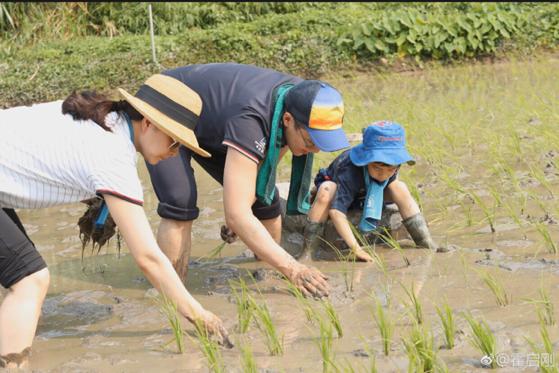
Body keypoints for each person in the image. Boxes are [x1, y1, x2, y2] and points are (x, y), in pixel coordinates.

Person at [0, 74, 230, 369]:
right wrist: (200, 315)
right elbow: (148, 258)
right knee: (30, 280)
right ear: (147, 123)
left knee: (23, 281)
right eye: (174, 143)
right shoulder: (113, 156)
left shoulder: (103, 118)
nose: (174, 154)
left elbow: (50, 159)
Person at [144, 63, 350, 298]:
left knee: (265, 202)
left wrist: (240, 211)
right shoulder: (252, 119)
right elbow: (238, 213)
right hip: (168, 104)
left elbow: (265, 170)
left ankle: (266, 278)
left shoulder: (300, 99)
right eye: (310, 141)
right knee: (180, 201)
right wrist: (294, 268)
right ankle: (172, 293)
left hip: (217, 121)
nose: (314, 149)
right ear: (288, 119)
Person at [300, 121, 444, 262]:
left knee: (399, 187)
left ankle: (425, 241)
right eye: (377, 168)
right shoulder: (349, 169)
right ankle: (308, 252)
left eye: (391, 169)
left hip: (369, 193)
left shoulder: (392, 167)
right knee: (327, 189)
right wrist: (356, 249)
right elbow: (336, 212)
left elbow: (391, 180)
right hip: (342, 192)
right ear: (366, 159)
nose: (384, 174)